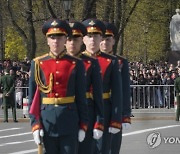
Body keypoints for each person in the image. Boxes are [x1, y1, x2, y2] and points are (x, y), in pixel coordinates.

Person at [28, 18, 89, 154]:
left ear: (65, 39)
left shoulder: (76, 64)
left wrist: (83, 125)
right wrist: (35, 125)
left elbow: (81, 97)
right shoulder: (38, 63)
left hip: (69, 121)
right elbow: (33, 99)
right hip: (46, 122)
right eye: (52, 37)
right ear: (47, 40)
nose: (56, 41)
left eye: (60, 37)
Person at [82, 19, 122, 154]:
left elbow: (118, 92)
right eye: (89, 36)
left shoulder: (111, 61)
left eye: (96, 36)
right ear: (83, 39)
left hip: (104, 108)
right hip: (82, 108)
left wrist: (119, 118)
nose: (93, 40)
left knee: (103, 147)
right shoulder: (76, 61)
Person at [66, 21, 104, 154]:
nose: (72, 43)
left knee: (86, 149)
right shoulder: (56, 63)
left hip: (87, 112)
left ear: (82, 40)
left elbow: (98, 94)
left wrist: (99, 121)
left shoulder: (91, 62)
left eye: (75, 39)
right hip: (64, 114)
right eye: (69, 39)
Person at [100, 22, 131, 154]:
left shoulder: (120, 62)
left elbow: (124, 90)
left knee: (113, 147)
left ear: (113, 41)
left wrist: (125, 115)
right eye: (102, 39)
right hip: (94, 108)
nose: (104, 42)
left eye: (108, 39)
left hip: (115, 110)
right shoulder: (87, 60)